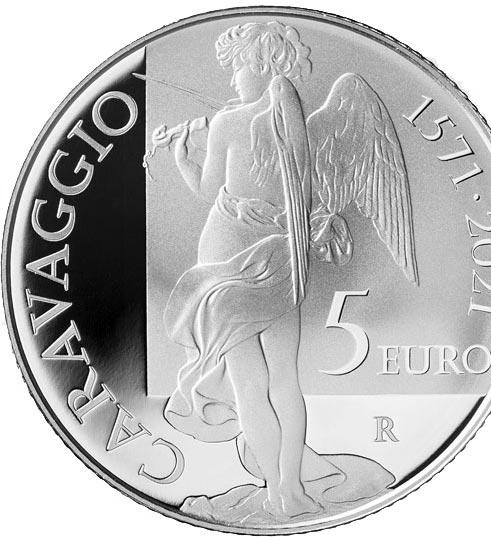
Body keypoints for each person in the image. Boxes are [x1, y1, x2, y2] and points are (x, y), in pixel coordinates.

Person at [162, 21, 321, 517]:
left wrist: (182, 157)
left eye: (235, 68)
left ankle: (275, 492)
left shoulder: (230, 123)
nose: (232, 80)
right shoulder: (292, 120)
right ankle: (292, 489)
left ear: (259, 64)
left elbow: (209, 191)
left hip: (225, 254)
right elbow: (302, 192)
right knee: (284, 379)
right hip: (282, 256)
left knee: (248, 384)